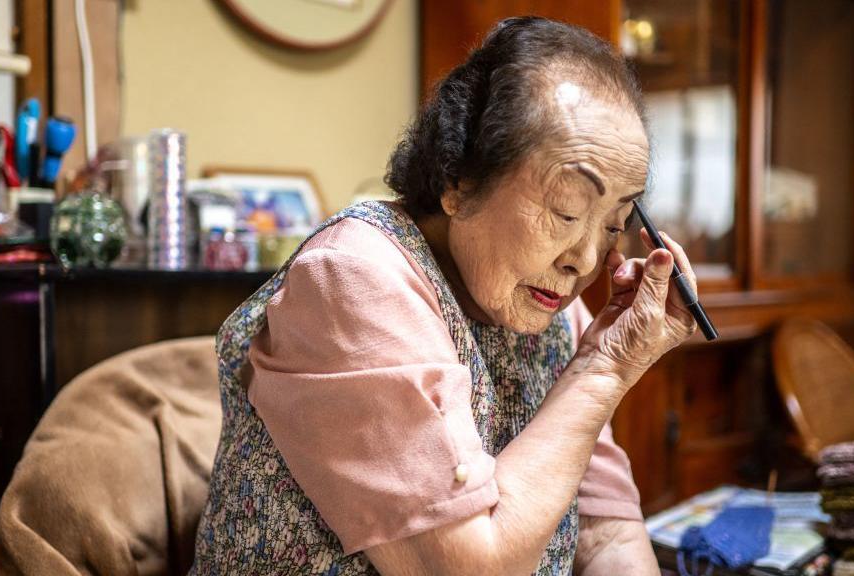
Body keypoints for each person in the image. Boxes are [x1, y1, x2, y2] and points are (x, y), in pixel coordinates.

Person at [192, 16, 697, 575]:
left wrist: (598, 362)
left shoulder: (551, 308)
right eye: (567, 211)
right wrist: (602, 371)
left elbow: (607, 539)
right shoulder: (353, 279)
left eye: (614, 222)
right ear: (459, 181)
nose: (582, 260)